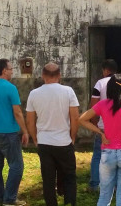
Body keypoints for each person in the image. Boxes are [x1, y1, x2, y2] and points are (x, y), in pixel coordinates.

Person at [79, 74, 121, 206]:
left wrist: (100, 132)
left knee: (104, 197)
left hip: (107, 154)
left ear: (109, 88)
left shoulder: (102, 104)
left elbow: (82, 119)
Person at [26, 62, 79, 206]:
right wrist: (73, 136)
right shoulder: (68, 91)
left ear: (43, 76)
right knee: (69, 177)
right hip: (64, 141)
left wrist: (35, 138)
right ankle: (69, 203)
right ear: (59, 76)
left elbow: (30, 121)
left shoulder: (34, 94)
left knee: (48, 180)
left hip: (44, 141)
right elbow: (75, 117)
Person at [0, 58, 29, 206]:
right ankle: (9, 199)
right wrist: (25, 131)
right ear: (4, 70)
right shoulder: (11, 88)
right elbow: (17, 112)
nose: (12, 71)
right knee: (17, 166)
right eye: (10, 69)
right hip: (8, 132)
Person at [88, 59, 117, 192]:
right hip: (120, 127)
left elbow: (93, 106)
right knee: (117, 155)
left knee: (98, 155)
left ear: (105, 70)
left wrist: (95, 125)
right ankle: (116, 185)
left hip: (103, 126)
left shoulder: (100, 83)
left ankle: (94, 184)